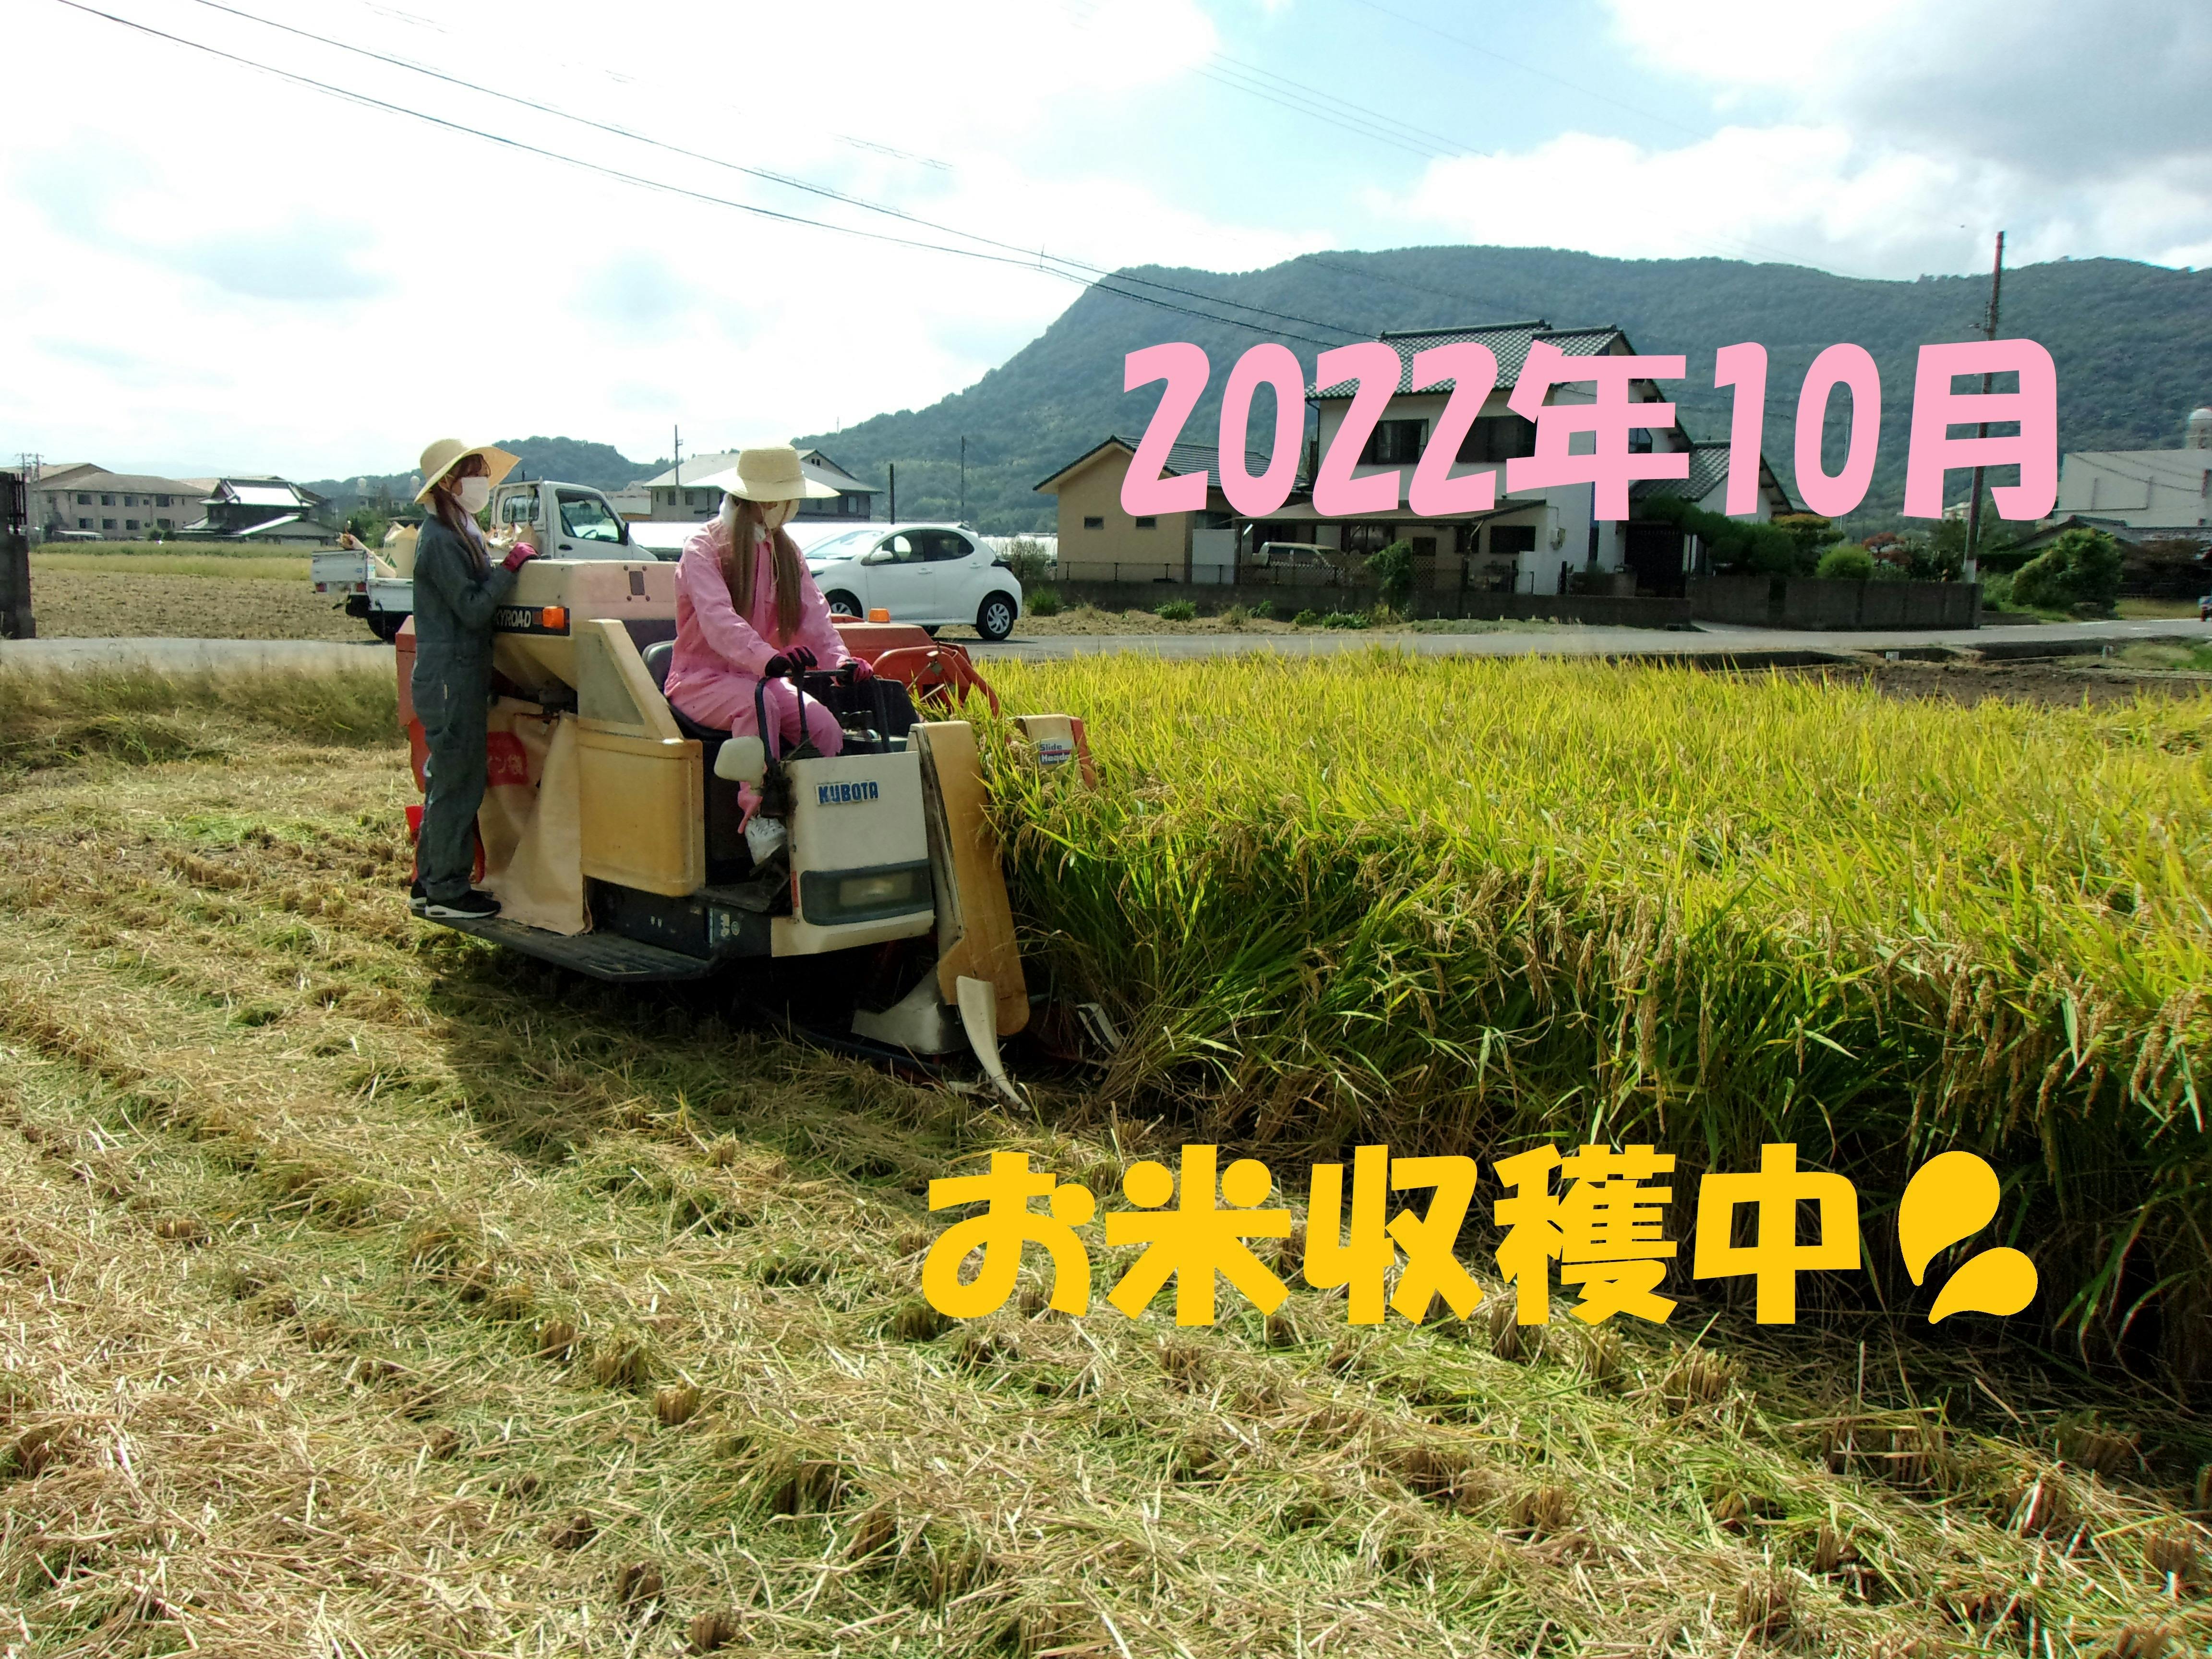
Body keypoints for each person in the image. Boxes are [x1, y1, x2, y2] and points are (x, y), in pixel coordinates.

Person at [663, 445, 870, 851]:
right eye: (787, 498)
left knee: (824, 727)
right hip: (697, 681)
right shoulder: (703, 548)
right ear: (766, 501)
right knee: (759, 707)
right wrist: (768, 658)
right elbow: (719, 621)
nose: (791, 507)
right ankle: (760, 815)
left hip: (759, 677)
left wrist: (841, 662)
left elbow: (814, 615)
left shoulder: (785, 551)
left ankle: (816, 814)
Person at [408, 438, 539, 919]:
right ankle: (446, 890)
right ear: (448, 482)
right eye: (474, 472)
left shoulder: (455, 530)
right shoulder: (442, 540)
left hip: (452, 676)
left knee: (448, 782)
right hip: (451, 679)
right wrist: (511, 568)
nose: (482, 481)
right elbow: (472, 608)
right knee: (458, 786)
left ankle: (429, 883)